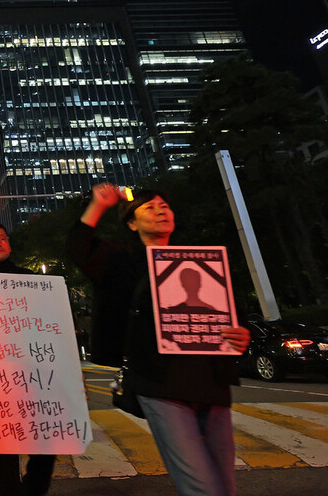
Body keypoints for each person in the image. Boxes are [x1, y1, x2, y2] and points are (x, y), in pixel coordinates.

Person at [66, 184, 251, 496]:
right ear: (132, 223)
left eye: (165, 205)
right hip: (159, 383)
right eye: (150, 207)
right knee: (201, 487)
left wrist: (241, 333)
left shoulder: (200, 260)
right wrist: (98, 206)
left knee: (224, 485)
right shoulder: (120, 259)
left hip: (211, 381)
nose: (161, 210)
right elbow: (78, 250)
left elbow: (233, 310)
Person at [0, 222, 57, 496]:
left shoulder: (30, 278)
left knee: (46, 446)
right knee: (3, 453)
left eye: (2, 238)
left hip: (33, 372)